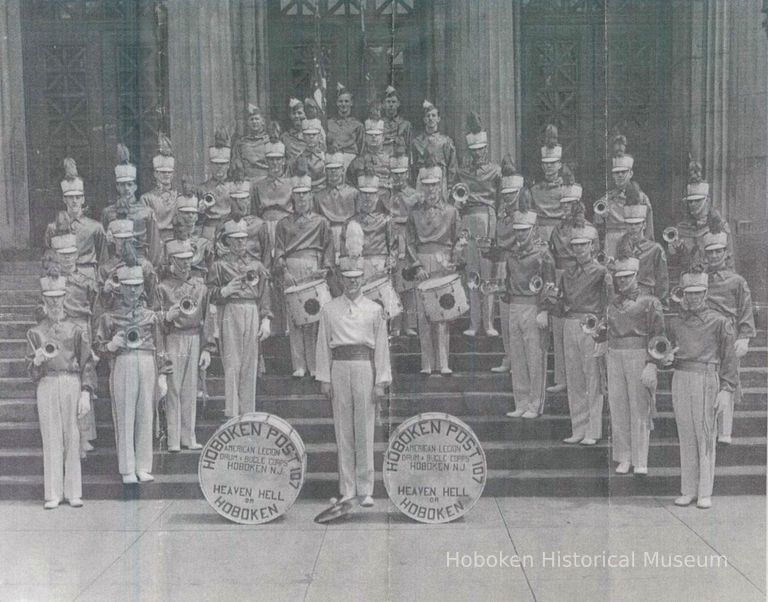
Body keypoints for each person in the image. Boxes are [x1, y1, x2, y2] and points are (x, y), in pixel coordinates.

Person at [315, 268, 392, 506]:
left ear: (364, 278)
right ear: (341, 280)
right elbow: (323, 345)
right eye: (348, 278)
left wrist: (380, 381)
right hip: (339, 367)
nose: (352, 282)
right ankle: (347, 489)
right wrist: (324, 378)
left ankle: (365, 489)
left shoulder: (375, 309)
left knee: (365, 429)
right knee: (343, 430)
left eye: (357, 277)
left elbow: (380, 347)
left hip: (363, 368)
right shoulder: (329, 309)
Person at [95, 265, 172, 484]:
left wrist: (163, 374)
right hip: (123, 362)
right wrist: (111, 345)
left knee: (146, 414)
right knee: (125, 414)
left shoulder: (150, 316)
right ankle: (127, 467)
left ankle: (143, 466)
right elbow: (98, 347)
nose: (133, 291)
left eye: (137, 286)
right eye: (128, 287)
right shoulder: (109, 317)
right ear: (120, 288)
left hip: (147, 361)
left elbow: (160, 344)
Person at [667, 271, 737, 509]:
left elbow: (729, 359)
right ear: (683, 295)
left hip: (706, 377)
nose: (693, 298)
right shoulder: (676, 321)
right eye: (689, 294)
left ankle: (705, 491)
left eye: (698, 293)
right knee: (685, 434)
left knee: (705, 434)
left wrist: (727, 389)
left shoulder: (719, 321)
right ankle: (688, 489)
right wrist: (665, 359)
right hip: (681, 375)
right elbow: (666, 349)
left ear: (706, 293)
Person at [26, 275, 96, 509]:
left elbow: (87, 362)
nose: (55, 304)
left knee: (72, 435)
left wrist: (86, 391)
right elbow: (30, 372)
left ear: (65, 298)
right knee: (51, 436)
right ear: (44, 301)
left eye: (58, 299)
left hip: (70, 381)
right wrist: (35, 362)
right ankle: (53, 493)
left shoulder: (75, 330)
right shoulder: (35, 332)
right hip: (46, 383)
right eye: (50, 299)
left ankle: (74, 491)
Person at [604, 256, 665, 475]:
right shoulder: (612, 304)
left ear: (636, 276)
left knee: (639, 407)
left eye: (627, 277)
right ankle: (624, 456)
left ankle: (640, 458)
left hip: (639, 354)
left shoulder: (650, 301)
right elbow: (607, 330)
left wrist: (652, 363)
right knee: (618, 405)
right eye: (619, 278)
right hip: (615, 354)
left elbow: (658, 336)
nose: (622, 282)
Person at [207, 220, 272, 416]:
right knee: (232, 361)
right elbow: (208, 292)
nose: (239, 244)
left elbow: (264, 293)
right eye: (235, 240)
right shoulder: (219, 265)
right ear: (227, 241)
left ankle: (248, 411)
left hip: (251, 308)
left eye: (243, 239)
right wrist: (224, 291)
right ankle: (232, 412)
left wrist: (266, 318)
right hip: (230, 309)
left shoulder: (257, 265)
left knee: (250, 362)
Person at [273, 174, 335, 377]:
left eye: (305, 196)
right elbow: (279, 251)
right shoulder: (283, 224)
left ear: (311, 197)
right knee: (295, 318)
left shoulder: (321, 222)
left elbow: (328, 248)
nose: (301, 201)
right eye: (298, 197)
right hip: (292, 269)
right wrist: (284, 271)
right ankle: (299, 365)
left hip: (312, 268)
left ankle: (316, 365)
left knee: (314, 317)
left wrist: (324, 269)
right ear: (293, 199)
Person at [158, 240, 216, 449]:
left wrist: (207, 348)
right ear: (171, 261)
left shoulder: (200, 287)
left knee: (190, 389)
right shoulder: (163, 287)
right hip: (173, 337)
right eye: (180, 261)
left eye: (188, 260)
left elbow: (208, 317)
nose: (185, 265)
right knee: (173, 388)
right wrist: (166, 316)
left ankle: (188, 437)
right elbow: (157, 320)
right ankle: (173, 439)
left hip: (194, 337)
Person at [554, 225, 607, 445]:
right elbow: (561, 301)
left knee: (592, 378)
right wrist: (552, 298)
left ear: (592, 246)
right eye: (575, 246)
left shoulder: (601, 272)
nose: (579, 250)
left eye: (583, 245)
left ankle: (593, 430)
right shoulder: (567, 273)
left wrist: (602, 331)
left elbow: (607, 302)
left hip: (591, 323)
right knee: (574, 377)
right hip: (570, 322)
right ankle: (578, 427)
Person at [406, 164, 461, 375]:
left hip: (443, 262)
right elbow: (410, 241)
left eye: (435, 186)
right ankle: (426, 363)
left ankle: (443, 362)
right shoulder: (414, 213)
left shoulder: (451, 211)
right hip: (422, 262)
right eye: (426, 186)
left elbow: (458, 238)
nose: (431, 190)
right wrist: (416, 265)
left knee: (443, 313)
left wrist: (454, 259)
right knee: (424, 314)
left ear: (441, 186)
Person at [47, 234, 99, 454]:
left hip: (82, 329)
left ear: (77, 255)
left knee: (85, 380)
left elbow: (96, 311)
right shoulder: (50, 281)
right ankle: (67, 435)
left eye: (71, 255)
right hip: (60, 331)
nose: (67, 260)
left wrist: (95, 340)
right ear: (56, 257)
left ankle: (85, 434)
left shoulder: (86, 280)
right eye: (62, 255)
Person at [702, 231, 755, 445]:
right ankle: (708, 427)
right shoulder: (700, 278)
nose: (714, 256)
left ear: (725, 252)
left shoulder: (737, 281)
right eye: (710, 252)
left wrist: (745, 337)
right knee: (708, 380)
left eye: (718, 251)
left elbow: (745, 309)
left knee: (728, 379)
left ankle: (725, 431)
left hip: (729, 334)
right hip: (706, 334)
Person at [546, 166, 595, 391]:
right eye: (562, 203)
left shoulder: (590, 229)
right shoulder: (556, 230)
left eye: (568, 204)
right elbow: (551, 255)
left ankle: (583, 375)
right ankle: (561, 377)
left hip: (583, 276)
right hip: (560, 274)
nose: (564, 207)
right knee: (559, 327)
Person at [504, 211, 556, 419]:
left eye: (524, 231)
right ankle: (521, 401)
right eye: (517, 231)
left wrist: (544, 309)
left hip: (534, 307)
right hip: (515, 306)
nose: (520, 235)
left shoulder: (543, 254)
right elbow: (509, 281)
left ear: (533, 230)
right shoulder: (511, 255)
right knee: (517, 357)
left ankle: (535, 404)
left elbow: (550, 283)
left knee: (535, 357)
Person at [456, 112, 501, 337]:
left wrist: (495, 229)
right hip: (468, 219)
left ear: (486, 148)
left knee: (488, 274)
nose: (477, 154)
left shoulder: (495, 170)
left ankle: (489, 322)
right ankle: (474, 323)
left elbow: (501, 200)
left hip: (487, 217)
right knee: (472, 273)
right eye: (473, 151)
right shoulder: (462, 172)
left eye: (480, 150)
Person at [488, 156, 530, 373]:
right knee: (505, 315)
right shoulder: (500, 214)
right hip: (503, 264)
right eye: (504, 195)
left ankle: (520, 359)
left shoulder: (526, 216)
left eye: (512, 194)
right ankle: (509, 357)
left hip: (520, 265)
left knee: (519, 315)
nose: (508, 199)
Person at [667, 158, 734, 277]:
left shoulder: (721, 226)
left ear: (707, 201)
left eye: (697, 200)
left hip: (714, 281)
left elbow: (729, 262)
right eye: (690, 201)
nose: (693, 204)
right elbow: (673, 265)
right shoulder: (680, 228)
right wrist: (674, 252)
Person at [43, 157, 107, 281]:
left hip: (88, 275)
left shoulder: (95, 227)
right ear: (64, 199)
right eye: (70, 197)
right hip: (62, 276)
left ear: (83, 199)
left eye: (78, 197)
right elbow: (48, 257)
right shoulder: (52, 228)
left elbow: (103, 259)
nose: (74, 201)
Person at [593, 131, 654, 257]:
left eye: (623, 172)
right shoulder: (605, 199)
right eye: (616, 173)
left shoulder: (642, 198)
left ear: (630, 173)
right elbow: (597, 227)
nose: (620, 175)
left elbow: (649, 229)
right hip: (612, 244)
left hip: (634, 242)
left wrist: (646, 248)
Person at [102, 144, 163, 268]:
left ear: (135, 187)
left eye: (129, 185)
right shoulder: (108, 212)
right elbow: (105, 245)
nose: (126, 189)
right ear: (117, 187)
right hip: (116, 262)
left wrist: (151, 266)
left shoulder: (146, 212)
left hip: (141, 260)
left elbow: (154, 244)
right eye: (122, 185)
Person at [382, 143, 420, 336]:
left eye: (402, 173)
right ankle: (395, 323)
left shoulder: (415, 195)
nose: (398, 177)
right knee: (394, 281)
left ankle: (410, 323)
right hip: (392, 236)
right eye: (395, 173)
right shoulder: (385, 195)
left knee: (409, 281)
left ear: (407, 173)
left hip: (408, 236)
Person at [214, 162, 271, 267]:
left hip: (254, 273)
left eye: (244, 199)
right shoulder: (223, 225)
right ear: (230, 200)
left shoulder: (259, 225)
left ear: (249, 199)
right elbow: (218, 255)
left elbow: (267, 256)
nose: (240, 203)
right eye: (236, 199)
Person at [340, 173, 395, 279]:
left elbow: (393, 247)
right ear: (359, 195)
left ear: (377, 195)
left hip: (380, 267)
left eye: (371, 193)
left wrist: (391, 260)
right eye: (364, 193)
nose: (367, 197)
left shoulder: (386, 220)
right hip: (357, 268)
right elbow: (343, 252)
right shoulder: (349, 222)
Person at [98, 219, 159, 313]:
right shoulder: (106, 268)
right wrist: (105, 291)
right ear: (113, 239)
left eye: (128, 238)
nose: (124, 242)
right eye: (120, 238)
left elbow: (152, 296)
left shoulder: (145, 266)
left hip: (139, 312)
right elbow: (102, 304)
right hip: (115, 313)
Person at [616, 203, 669, 304]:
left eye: (637, 224)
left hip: (647, 294)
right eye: (630, 224)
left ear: (644, 225)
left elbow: (662, 278)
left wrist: (662, 302)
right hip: (624, 295)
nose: (633, 227)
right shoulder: (620, 245)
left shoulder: (655, 248)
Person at [315, 148, 358, 262]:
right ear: (325, 171)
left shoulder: (353, 193)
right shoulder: (318, 196)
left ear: (343, 170)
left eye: (336, 168)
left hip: (349, 235)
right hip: (327, 237)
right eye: (330, 169)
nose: (333, 172)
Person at [410, 100, 458, 196]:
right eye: (428, 116)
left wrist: (450, 186)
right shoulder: (416, 142)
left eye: (433, 115)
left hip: (440, 181)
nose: (430, 118)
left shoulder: (446, 141)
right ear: (424, 119)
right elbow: (413, 167)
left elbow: (452, 166)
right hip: (422, 181)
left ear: (438, 119)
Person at [140, 133, 179, 243]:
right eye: (162, 172)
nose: (166, 175)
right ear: (155, 174)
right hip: (154, 242)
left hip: (175, 241)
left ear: (173, 174)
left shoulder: (178, 196)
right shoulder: (146, 198)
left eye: (169, 172)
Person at [198, 126, 233, 241]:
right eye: (215, 164)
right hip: (210, 228)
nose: (219, 168)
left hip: (229, 227)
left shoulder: (233, 186)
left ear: (228, 165)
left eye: (223, 164)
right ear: (210, 165)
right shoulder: (203, 188)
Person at [168, 191, 214, 279]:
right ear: (177, 215)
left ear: (197, 216)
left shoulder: (203, 242)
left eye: (193, 213)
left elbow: (209, 266)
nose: (190, 216)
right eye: (186, 213)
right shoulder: (169, 241)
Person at [346, 110, 390, 185]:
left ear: (383, 137)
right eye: (370, 134)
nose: (373, 137)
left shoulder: (390, 158)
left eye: (377, 134)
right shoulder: (357, 161)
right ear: (365, 137)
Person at [327, 83, 364, 171]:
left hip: (351, 161)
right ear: (336, 103)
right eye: (340, 101)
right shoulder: (329, 123)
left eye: (346, 101)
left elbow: (361, 148)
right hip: (333, 160)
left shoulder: (358, 125)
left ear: (351, 103)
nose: (343, 104)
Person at [231, 103, 270, 184]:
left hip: (266, 181)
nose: (254, 122)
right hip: (247, 182)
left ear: (263, 122)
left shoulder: (269, 141)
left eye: (257, 119)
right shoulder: (241, 143)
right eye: (251, 119)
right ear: (247, 123)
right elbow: (237, 164)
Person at [288, 119, 326, 190]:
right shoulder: (297, 158)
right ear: (303, 136)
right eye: (308, 134)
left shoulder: (325, 157)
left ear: (319, 136)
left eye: (314, 134)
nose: (311, 137)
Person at [381, 85, 412, 157]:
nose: (391, 104)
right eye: (388, 102)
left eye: (393, 102)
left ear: (398, 104)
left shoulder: (405, 124)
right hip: (382, 160)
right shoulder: (379, 123)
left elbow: (409, 147)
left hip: (399, 161)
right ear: (383, 105)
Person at [282, 98, 307, 163]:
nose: (296, 116)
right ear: (290, 116)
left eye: (299, 113)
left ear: (305, 115)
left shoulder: (312, 135)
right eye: (293, 113)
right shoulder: (284, 137)